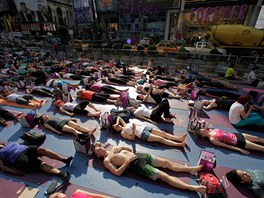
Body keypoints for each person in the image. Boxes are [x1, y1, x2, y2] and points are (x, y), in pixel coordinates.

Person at [94, 145, 206, 194]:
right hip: (136, 164)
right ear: (98, 155)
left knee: (166, 163)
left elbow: (128, 149)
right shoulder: (107, 160)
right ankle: (192, 188)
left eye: (99, 146)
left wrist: (123, 147)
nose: (100, 147)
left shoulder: (114, 148)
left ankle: (190, 169)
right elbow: (117, 173)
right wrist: (127, 162)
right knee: (164, 176)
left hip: (139, 155)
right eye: (97, 149)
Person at [0, 142, 72, 181]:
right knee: (40, 164)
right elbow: (2, 167)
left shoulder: (9, 144)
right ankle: (62, 174)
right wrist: (14, 172)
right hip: (17, 158)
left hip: (26, 149)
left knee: (41, 150)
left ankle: (64, 160)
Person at [112, 117, 187, 147]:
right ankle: (179, 144)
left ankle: (179, 138)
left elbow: (119, 117)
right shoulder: (122, 133)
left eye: (116, 125)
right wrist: (134, 129)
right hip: (143, 134)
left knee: (163, 133)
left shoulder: (124, 124)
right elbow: (132, 138)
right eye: (116, 127)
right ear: (117, 130)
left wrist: (117, 122)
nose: (117, 125)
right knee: (161, 139)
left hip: (145, 128)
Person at [194, 128, 264, 154]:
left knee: (258, 138)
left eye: (202, 129)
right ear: (203, 136)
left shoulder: (212, 129)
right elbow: (226, 146)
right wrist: (240, 150)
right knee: (261, 148)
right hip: (238, 142)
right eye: (202, 131)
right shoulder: (212, 139)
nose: (203, 130)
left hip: (237, 135)